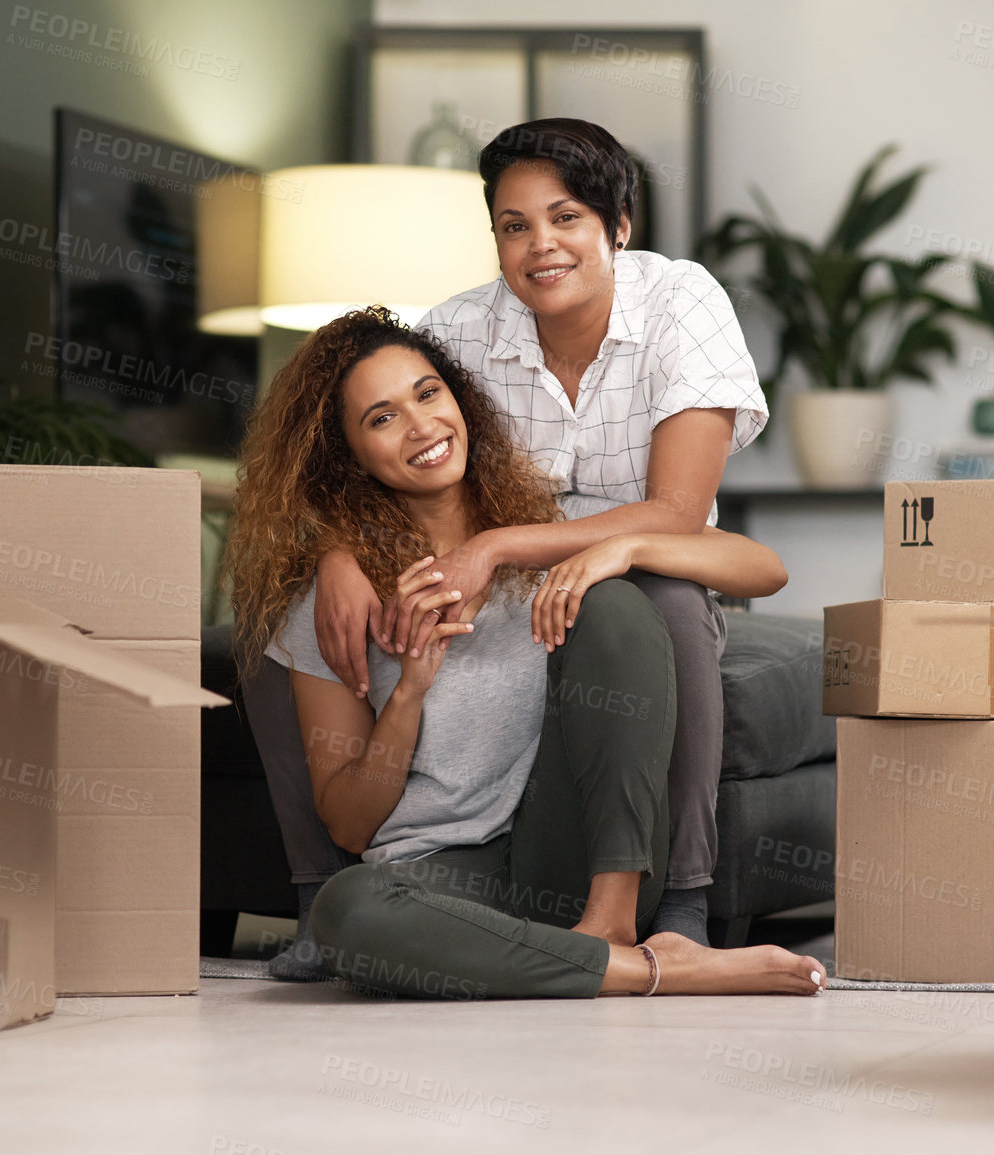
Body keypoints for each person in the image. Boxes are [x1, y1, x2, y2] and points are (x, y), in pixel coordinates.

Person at [226, 307, 822, 999]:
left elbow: (763, 567)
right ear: (347, 455)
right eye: (381, 417)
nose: (421, 426)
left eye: (427, 393)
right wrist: (410, 690)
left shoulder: (546, 526)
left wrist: (621, 545)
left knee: (614, 598)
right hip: (446, 871)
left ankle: (611, 925)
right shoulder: (334, 603)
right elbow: (349, 823)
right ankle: (649, 969)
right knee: (346, 911)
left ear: (459, 399)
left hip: (572, 853)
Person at [299, 118, 764, 954]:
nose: (539, 245)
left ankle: (684, 903)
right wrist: (336, 550)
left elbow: (677, 514)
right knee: (297, 615)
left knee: (656, 596)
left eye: (566, 218)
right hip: (523, 595)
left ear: (618, 224)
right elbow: (383, 440)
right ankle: (316, 898)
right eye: (514, 227)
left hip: (651, 560)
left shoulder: (680, 301)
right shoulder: (460, 333)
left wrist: (498, 547)